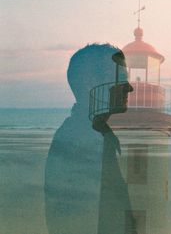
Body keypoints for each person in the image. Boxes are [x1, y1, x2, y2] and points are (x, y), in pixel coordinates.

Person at [44, 44, 136, 234]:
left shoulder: (97, 134)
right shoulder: (79, 140)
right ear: (90, 82)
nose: (129, 87)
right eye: (121, 78)